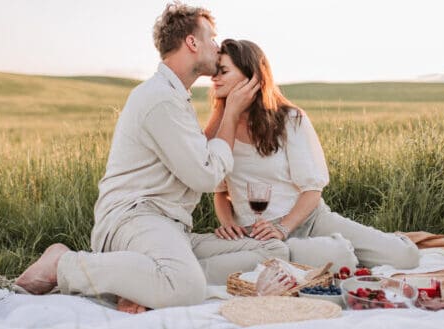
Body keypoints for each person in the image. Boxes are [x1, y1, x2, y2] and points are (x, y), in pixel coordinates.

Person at [15, 4, 289, 314]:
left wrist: (224, 108)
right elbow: (206, 176)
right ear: (192, 43)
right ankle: (63, 264)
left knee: (271, 249)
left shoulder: (176, 97)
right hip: (135, 219)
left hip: (169, 229)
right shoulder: (159, 99)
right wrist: (232, 112)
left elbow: (200, 150)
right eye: (211, 38)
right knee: (186, 287)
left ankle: (139, 281)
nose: (217, 46)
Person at [206, 39, 419, 272]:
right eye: (214, 72)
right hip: (257, 236)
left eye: (223, 71)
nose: (214, 78)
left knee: (404, 258)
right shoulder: (219, 129)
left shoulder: (290, 119)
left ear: (252, 77)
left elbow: (312, 190)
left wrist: (284, 228)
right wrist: (227, 224)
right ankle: (324, 251)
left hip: (309, 220)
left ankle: (334, 247)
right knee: (339, 258)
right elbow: (220, 191)